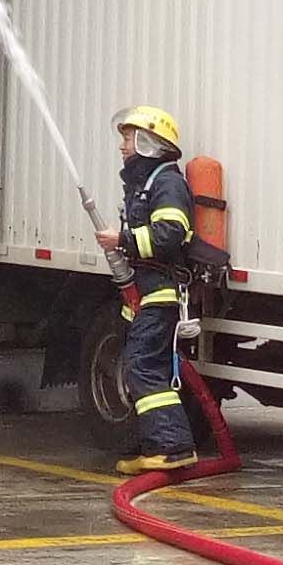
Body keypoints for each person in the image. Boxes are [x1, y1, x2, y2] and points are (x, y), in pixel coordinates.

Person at [110, 103, 201, 476]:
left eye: (129, 138)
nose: (122, 146)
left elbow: (169, 236)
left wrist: (122, 239)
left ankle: (173, 447)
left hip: (161, 292)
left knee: (143, 367)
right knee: (143, 367)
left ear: (149, 142)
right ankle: (156, 445)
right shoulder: (146, 184)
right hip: (145, 292)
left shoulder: (167, 184)